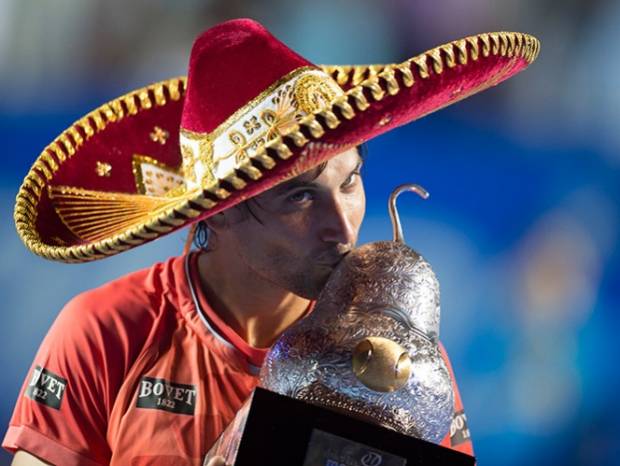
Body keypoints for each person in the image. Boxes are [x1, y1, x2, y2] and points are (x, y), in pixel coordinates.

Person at [4, 17, 539, 466]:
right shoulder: (105, 331)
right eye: (301, 198)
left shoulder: (402, 358)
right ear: (221, 213)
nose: (343, 224)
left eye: (349, 180)